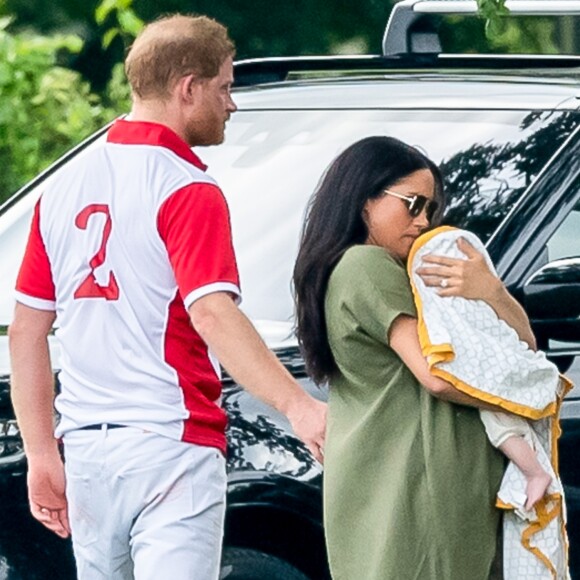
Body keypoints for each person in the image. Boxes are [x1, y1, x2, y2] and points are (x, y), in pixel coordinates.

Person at [8, 14, 325, 580]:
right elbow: (211, 312)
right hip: (170, 442)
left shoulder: (62, 188)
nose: (231, 105)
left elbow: (28, 331)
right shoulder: (186, 187)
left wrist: (40, 455)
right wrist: (299, 406)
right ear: (188, 88)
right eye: (225, 88)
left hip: (85, 450)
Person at [293, 135, 537, 580]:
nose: (423, 221)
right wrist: (531, 396)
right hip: (417, 493)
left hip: (395, 487)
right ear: (364, 200)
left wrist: (491, 291)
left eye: (430, 209)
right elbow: (439, 375)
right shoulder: (366, 266)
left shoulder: (360, 269)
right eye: (412, 204)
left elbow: (523, 348)